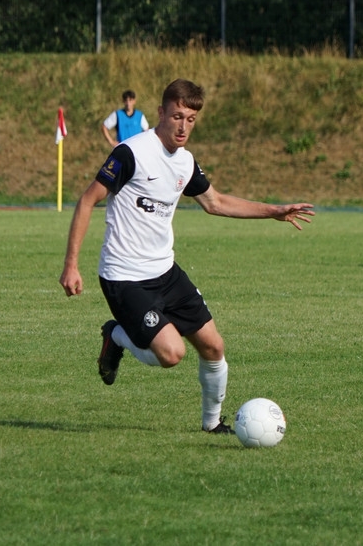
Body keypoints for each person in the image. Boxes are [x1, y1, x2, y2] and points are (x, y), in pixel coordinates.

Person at [60, 78, 314, 433]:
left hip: (165, 272)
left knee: (213, 347)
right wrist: (71, 265)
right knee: (172, 354)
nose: (183, 127)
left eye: (191, 119)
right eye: (177, 116)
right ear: (161, 113)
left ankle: (212, 425)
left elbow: (216, 202)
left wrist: (273, 211)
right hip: (125, 276)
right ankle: (116, 335)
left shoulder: (185, 162)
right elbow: (88, 200)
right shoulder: (131, 154)